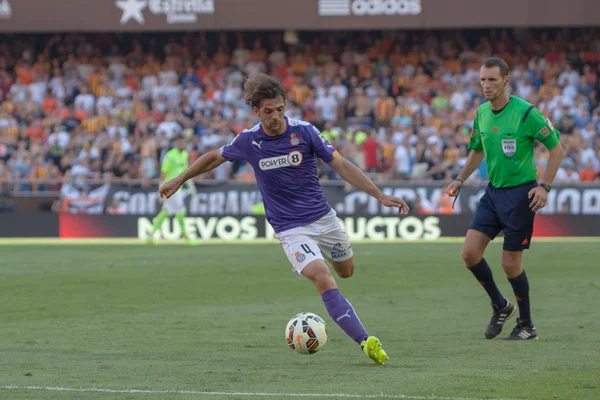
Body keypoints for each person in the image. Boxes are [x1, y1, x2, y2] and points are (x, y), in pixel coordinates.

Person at [159, 73, 410, 365]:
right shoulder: (249, 140)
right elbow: (214, 157)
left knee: (346, 271)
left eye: (280, 109)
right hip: (290, 228)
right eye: (268, 111)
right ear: (256, 110)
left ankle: (303, 263)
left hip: (324, 219)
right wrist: (180, 178)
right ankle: (365, 341)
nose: (276, 116)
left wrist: (379, 195)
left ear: (285, 104)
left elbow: (340, 163)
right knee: (323, 278)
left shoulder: (305, 132)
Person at [446, 57, 565, 340]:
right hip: (493, 193)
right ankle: (500, 305)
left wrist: (544, 187)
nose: (486, 86)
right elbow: (478, 149)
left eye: (492, 80)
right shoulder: (482, 113)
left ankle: (527, 325)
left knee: (510, 264)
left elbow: (557, 149)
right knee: (469, 253)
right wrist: (460, 178)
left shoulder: (526, 113)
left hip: (521, 195)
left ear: (506, 80)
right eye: (483, 80)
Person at [150, 136, 197, 244]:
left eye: (185, 142)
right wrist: (160, 188)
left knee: (166, 211)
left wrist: (190, 185)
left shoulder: (185, 154)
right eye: (182, 142)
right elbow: (163, 173)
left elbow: (186, 171)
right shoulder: (170, 155)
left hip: (179, 188)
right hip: (170, 188)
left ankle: (151, 234)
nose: (184, 144)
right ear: (177, 143)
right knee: (181, 210)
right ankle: (186, 236)